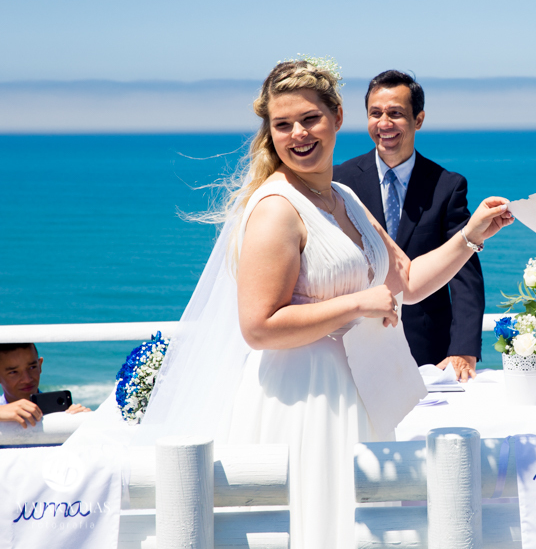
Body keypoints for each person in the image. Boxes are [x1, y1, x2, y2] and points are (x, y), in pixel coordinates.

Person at [137, 58, 512, 549]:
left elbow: (409, 282)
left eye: (309, 119)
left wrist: (470, 236)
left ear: (336, 116)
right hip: (303, 399)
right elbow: (259, 326)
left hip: (357, 392)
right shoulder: (277, 210)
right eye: (282, 125)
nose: (298, 134)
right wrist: (356, 304)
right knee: (316, 527)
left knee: (362, 530)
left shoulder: (343, 196)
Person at [333, 70, 485, 381]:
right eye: (375, 113)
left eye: (396, 114)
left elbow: (464, 273)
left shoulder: (447, 186)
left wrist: (464, 348)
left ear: (418, 119)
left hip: (428, 352)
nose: (384, 123)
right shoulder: (339, 181)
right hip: (351, 345)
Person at [0, 342, 91, 428]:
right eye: (13, 372)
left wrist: (83, 422)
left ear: (40, 366)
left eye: (32, 367)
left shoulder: (64, 411)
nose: (27, 379)